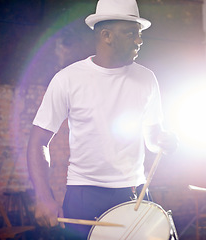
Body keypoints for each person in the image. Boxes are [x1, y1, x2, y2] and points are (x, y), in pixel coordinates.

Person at [27, 0, 177, 239]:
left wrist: (164, 141)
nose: (139, 41)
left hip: (134, 192)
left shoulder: (147, 79)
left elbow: (152, 138)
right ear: (106, 35)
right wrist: (43, 197)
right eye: (131, 34)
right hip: (84, 194)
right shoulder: (68, 79)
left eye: (139, 35)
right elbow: (38, 141)